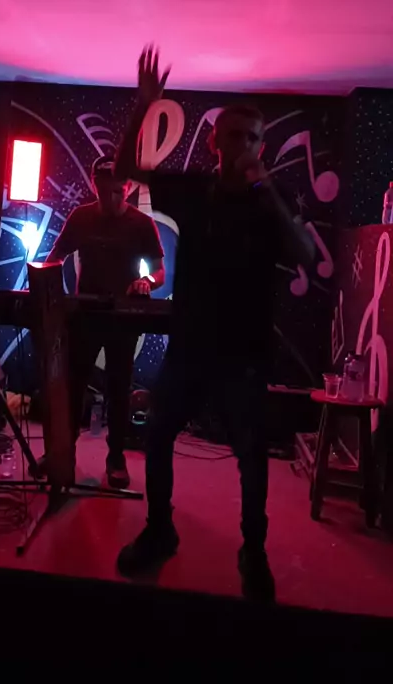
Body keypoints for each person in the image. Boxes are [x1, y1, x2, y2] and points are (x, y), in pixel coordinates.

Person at [114, 46, 314, 600]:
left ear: (261, 147)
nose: (244, 144)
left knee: (252, 455)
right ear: (214, 143)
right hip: (191, 345)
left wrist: (268, 191)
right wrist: (144, 106)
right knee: (158, 437)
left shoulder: (274, 198)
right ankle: (160, 530)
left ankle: (254, 550)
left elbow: (305, 255)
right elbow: (128, 171)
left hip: (244, 353)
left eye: (253, 137)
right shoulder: (194, 193)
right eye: (234, 135)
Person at [47, 154, 165, 488]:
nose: (112, 198)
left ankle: (115, 458)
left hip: (122, 317)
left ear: (127, 188)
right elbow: (55, 258)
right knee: (73, 385)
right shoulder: (81, 218)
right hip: (85, 314)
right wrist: (43, 287)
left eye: (118, 191)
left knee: (119, 388)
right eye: (105, 190)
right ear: (93, 185)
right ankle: (63, 453)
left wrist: (146, 282)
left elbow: (159, 272)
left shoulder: (141, 224)